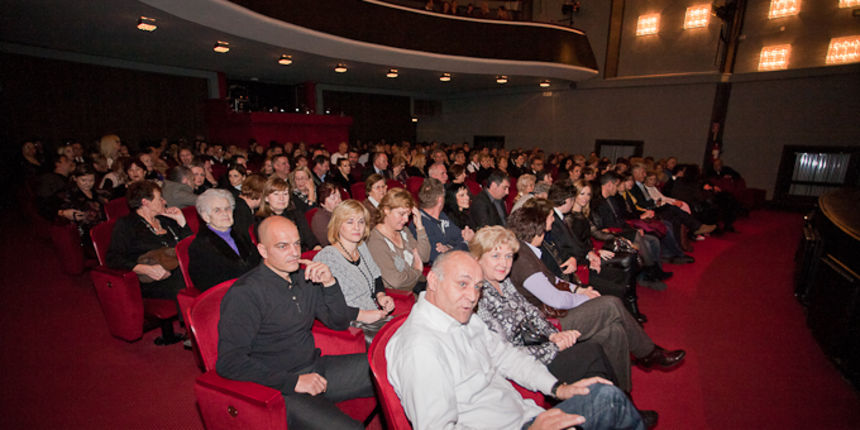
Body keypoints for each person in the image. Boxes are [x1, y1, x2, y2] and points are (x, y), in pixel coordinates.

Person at [387, 251, 646, 430]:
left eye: (477, 287)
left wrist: (558, 388)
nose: (472, 296)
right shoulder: (421, 348)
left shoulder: (462, 318)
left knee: (604, 393)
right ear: (433, 281)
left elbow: (506, 356)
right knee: (609, 400)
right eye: (463, 284)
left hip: (527, 415)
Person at [216, 216, 375, 430]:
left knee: (392, 365)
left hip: (316, 367)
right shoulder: (245, 294)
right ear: (263, 251)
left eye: (297, 244)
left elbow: (337, 322)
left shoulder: (304, 278)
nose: (294, 252)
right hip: (280, 386)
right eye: (283, 246)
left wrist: (330, 283)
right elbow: (229, 362)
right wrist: (294, 382)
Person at [506, 206, 685, 393]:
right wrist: (584, 298)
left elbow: (554, 281)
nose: (550, 222)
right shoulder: (523, 260)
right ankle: (648, 353)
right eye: (547, 220)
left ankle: (621, 396)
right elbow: (555, 299)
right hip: (549, 325)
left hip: (551, 316)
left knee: (614, 332)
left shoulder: (528, 251)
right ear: (537, 228)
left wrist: (579, 289)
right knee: (611, 304)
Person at [313, 200, 395, 339]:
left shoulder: (361, 247)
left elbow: (375, 276)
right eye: (350, 222)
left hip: (375, 316)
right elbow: (327, 306)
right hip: (353, 326)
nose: (357, 227)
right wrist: (362, 315)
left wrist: (381, 296)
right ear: (338, 225)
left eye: (361, 222)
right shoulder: (327, 257)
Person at [106, 180, 191, 300]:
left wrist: (181, 221)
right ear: (145, 202)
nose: (165, 202)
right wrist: (145, 269)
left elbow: (191, 245)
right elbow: (113, 258)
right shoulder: (126, 225)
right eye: (160, 199)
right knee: (188, 285)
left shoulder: (166, 220)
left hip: (180, 268)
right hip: (154, 279)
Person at [188, 189, 260, 292]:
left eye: (227, 208)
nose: (225, 213)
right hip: (230, 294)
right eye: (217, 210)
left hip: (254, 287)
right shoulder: (199, 246)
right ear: (206, 216)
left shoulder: (240, 235)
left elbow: (257, 263)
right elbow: (206, 284)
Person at [366, 188, 430, 293]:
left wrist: (420, 227)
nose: (406, 219)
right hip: (404, 295)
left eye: (408, 215)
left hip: (420, 286)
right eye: (401, 214)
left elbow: (424, 257)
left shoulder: (403, 231)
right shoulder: (376, 242)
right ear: (386, 210)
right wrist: (417, 271)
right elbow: (396, 281)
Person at [410, 178, 472, 263]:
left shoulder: (442, 215)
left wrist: (449, 248)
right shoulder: (419, 223)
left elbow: (460, 236)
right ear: (440, 199)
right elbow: (438, 258)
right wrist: (466, 243)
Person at [256, 177, 320, 251]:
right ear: (266, 198)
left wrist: (319, 250)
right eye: (276, 194)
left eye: (285, 194)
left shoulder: (296, 215)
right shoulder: (261, 221)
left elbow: (311, 241)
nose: (281, 198)